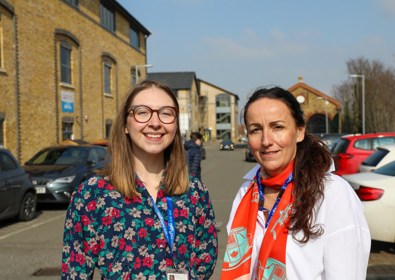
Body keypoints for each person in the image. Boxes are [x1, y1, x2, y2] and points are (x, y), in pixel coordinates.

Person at [61, 80, 218, 280]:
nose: (155, 122)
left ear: (176, 124)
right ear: (126, 124)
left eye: (166, 113)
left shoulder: (195, 191)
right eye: (142, 112)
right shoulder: (92, 194)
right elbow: (75, 272)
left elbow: (204, 264)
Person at [221, 86, 370, 280]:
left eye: (278, 127)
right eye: (255, 130)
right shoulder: (246, 193)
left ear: (299, 132)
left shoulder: (332, 193)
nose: (266, 140)